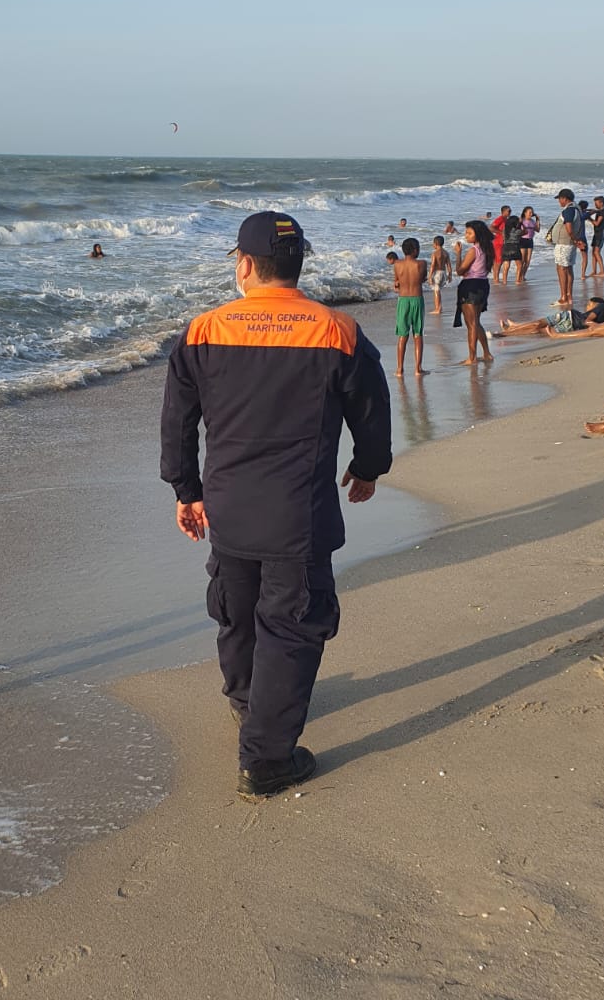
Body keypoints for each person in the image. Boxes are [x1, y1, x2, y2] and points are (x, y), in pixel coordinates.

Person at [160, 211, 392, 799]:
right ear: (299, 263)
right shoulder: (336, 330)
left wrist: (186, 491)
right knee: (290, 623)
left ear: (243, 265)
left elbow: (178, 423)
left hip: (229, 508)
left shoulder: (203, 330)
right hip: (299, 511)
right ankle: (265, 758)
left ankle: (248, 705)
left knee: (237, 608)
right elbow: (371, 409)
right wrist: (367, 468)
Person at [498, 297, 604, 339]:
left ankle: (512, 330)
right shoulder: (603, 308)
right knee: (538, 323)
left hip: (571, 327)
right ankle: (510, 328)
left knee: (538, 331)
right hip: (569, 316)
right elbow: (588, 320)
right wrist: (594, 325)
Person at [453, 221, 494, 365]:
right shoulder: (487, 248)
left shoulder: (473, 250)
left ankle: (472, 357)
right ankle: (487, 353)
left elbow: (460, 271)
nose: (466, 235)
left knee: (471, 324)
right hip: (483, 284)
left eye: (469, 233)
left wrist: (458, 254)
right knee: (476, 322)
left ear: (478, 234)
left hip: (471, 286)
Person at [394, 238, 428, 377]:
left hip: (403, 300)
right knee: (417, 334)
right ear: (415, 250)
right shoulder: (421, 264)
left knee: (402, 334)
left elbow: (396, 282)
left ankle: (399, 369)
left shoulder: (397, 264)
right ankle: (418, 368)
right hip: (416, 299)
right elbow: (422, 279)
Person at [546, 190, 586, 309]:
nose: (559, 201)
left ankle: (564, 297)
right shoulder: (576, 208)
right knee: (568, 268)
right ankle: (568, 296)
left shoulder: (569, 210)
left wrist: (575, 240)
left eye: (560, 199)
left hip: (564, 244)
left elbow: (569, 228)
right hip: (569, 244)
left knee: (561, 268)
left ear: (565, 198)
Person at [498, 210, 523, 284]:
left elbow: (503, 237)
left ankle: (504, 281)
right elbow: (526, 232)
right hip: (515, 247)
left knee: (506, 265)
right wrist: (521, 224)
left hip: (506, 247)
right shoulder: (517, 231)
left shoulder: (505, 230)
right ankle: (517, 280)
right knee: (519, 265)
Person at [587, 196, 604, 278]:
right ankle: (594, 271)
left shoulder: (603, 212)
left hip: (600, 233)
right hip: (596, 233)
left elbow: (596, 223)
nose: (595, 205)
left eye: (596, 203)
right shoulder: (601, 210)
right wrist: (589, 211)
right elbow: (596, 210)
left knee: (596, 252)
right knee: (593, 253)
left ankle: (602, 271)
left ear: (601, 203)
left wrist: (588, 218)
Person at [429, 235, 451, 316]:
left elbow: (432, 265)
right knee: (438, 291)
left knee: (436, 291)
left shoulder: (435, 253)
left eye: (433, 243)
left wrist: (430, 276)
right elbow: (449, 265)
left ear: (436, 243)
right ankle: (439, 307)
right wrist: (450, 275)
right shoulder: (446, 253)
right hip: (443, 273)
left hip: (437, 273)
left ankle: (438, 308)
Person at [490, 206, 512, 280]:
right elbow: (491, 228)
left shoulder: (507, 220)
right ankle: (496, 278)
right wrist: (501, 233)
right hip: (498, 243)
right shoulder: (500, 219)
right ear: (503, 211)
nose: (510, 212)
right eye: (508, 211)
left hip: (504, 242)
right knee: (498, 261)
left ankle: (496, 278)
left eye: (510, 211)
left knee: (500, 261)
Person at [518, 206, 539, 281]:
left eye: (532, 212)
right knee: (522, 260)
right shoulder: (522, 220)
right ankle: (519, 276)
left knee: (528, 260)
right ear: (525, 213)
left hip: (530, 240)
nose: (531, 214)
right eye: (529, 212)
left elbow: (538, 230)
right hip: (522, 240)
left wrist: (537, 219)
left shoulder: (532, 221)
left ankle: (523, 276)